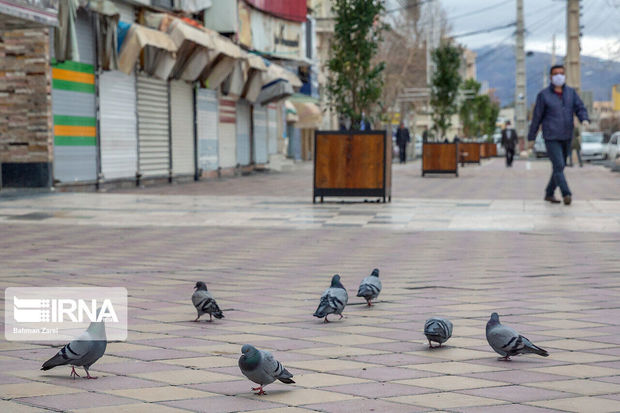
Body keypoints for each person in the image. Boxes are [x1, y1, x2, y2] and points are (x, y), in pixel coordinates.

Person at [527, 64, 589, 205]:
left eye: (561, 73)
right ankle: (566, 193)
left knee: (559, 167)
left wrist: (584, 118)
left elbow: (579, 107)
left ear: (565, 75)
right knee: (559, 164)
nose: (559, 76)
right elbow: (537, 117)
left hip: (567, 135)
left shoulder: (571, 93)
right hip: (551, 136)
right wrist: (531, 137)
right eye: (556, 74)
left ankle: (549, 193)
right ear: (551, 77)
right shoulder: (543, 95)